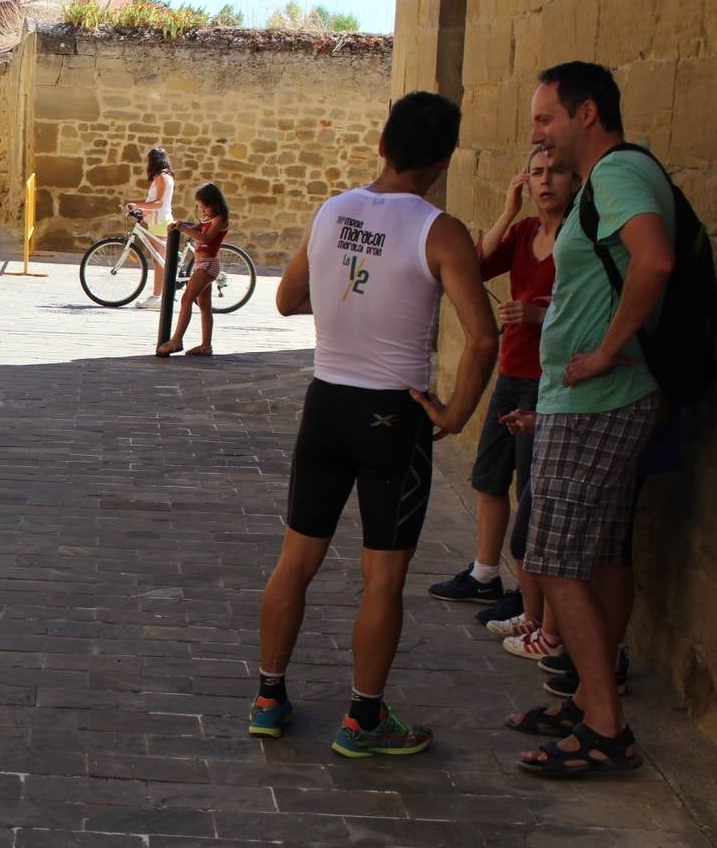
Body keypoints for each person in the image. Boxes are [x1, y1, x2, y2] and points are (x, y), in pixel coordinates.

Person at [251, 91, 497, 758]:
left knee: (295, 560)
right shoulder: (436, 229)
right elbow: (482, 339)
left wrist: (347, 316)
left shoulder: (332, 211)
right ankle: (363, 718)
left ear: (384, 143)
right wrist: (454, 413)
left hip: (327, 401)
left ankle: (269, 698)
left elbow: (286, 299)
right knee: (382, 577)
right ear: (443, 160)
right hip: (395, 414)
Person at [506, 61, 674, 777]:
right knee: (599, 553)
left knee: (552, 558)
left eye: (547, 118)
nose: (538, 131)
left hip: (599, 399)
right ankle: (587, 699)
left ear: (589, 113)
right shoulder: (608, 182)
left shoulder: (615, 176)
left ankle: (606, 727)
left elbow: (655, 262)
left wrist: (605, 352)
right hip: (585, 400)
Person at [429, 149, 575, 636]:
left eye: (555, 172)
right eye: (535, 174)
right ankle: (485, 574)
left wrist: (539, 316)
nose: (545, 182)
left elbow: (592, 315)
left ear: (576, 181)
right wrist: (508, 211)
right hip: (512, 372)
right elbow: (470, 267)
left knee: (532, 488)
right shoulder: (525, 233)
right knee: (490, 476)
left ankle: (528, 596)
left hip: (550, 381)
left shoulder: (578, 240)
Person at [155, 183, 227, 357]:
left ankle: (176, 340)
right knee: (204, 306)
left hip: (208, 265)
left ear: (215, 204)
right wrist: (181, 224)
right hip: (200, 263)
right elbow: (195, 228)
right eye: (200, 207)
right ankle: (206, 346)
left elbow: (206, 238)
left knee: (186, 299)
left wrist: (184, 229)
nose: (202, 211)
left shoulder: (220, 219)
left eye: (205, 207)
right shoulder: (207, 219)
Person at [125, 147, 176, 310]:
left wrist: (137, 204)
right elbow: (156, 202)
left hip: (161, 222)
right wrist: (142, 210)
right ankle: (160, 295)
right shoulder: (162, 177)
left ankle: (158, 297)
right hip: (157, 221)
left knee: (160, 260)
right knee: (158, 259)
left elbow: (160, 203)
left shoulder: (162, 177)